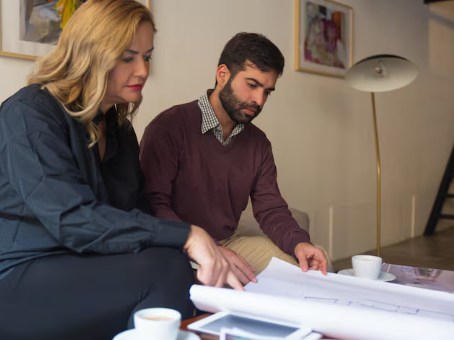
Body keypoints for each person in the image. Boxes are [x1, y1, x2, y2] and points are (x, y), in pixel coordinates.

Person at [0, 1, 241, 340]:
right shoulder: (28, 115)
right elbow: (72, 218)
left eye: (147, 56)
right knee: (164, 270)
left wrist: (208, 250)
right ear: (89, 54)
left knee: (181, 272)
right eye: (127, 57)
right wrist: (188, 235)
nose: (143, 70)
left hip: (66, 263)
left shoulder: (118, 129)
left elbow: (135, 213)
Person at [140, 32, 330, 287]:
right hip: (175, 243)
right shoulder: (169, 127)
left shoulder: (258, 143)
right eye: (252, 85)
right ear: (222, 75)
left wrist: (300, 242)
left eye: (267, 92)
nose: (259, 101)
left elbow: (270, 208)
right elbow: (153, 204)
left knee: (311, 270)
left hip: (227, 242)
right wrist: (207, 248)